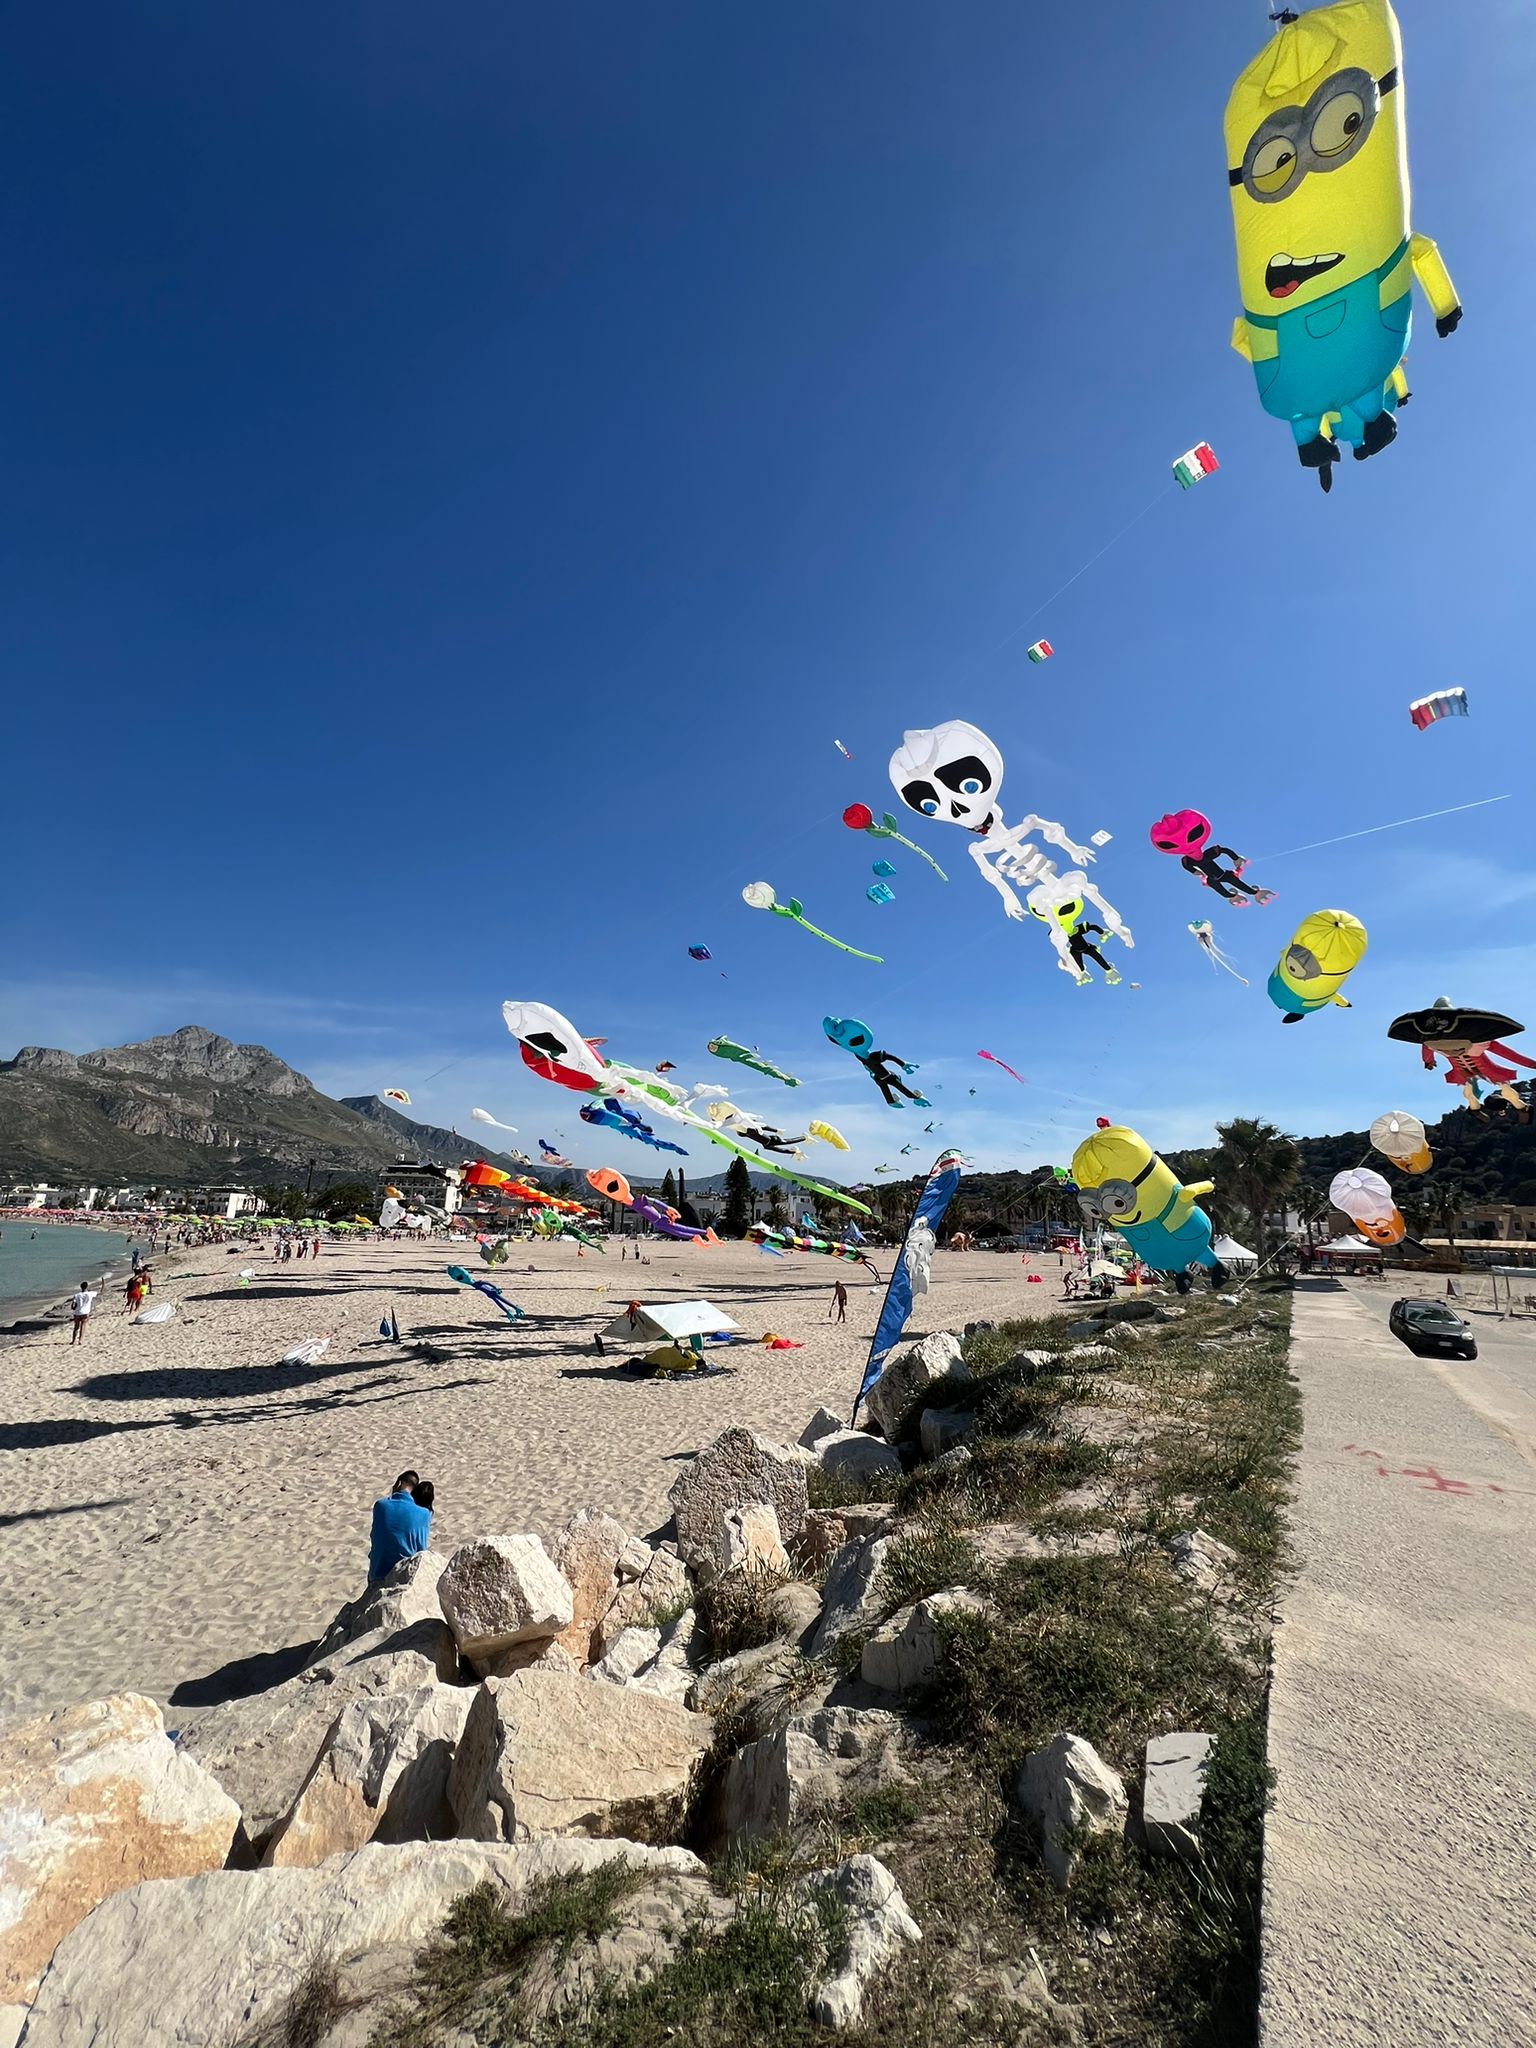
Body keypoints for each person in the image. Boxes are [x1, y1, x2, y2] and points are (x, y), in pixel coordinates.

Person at [368, 1470, 432, 1583]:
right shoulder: (424, 1513)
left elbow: (375, 1537)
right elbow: (421, 1549)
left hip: (377, 1574)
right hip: (404, 1575)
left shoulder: (380, 1505)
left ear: (398, 1483)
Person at [68, 1281, 97, 1345]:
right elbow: (101, 1292)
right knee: (83, 1327)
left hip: (77, 1312)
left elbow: (73, 1306)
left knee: (76, 1327)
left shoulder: (77, 1295)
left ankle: (73, 1341)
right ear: (87, 1287)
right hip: (85, 1312)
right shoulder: (90, 1294)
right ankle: (80, 1340)